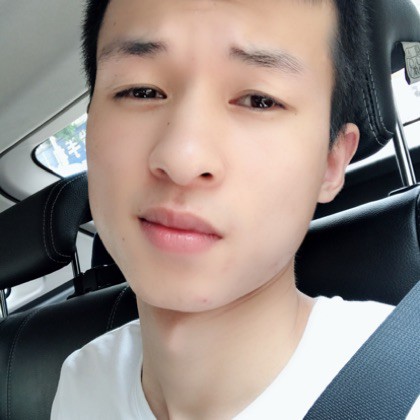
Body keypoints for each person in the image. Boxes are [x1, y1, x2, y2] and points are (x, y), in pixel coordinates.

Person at [51, 0, 419, 418]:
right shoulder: (81, 382)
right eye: (141, 91)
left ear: (332, 162)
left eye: (259, 100)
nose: (182, 158)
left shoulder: (407, 389)